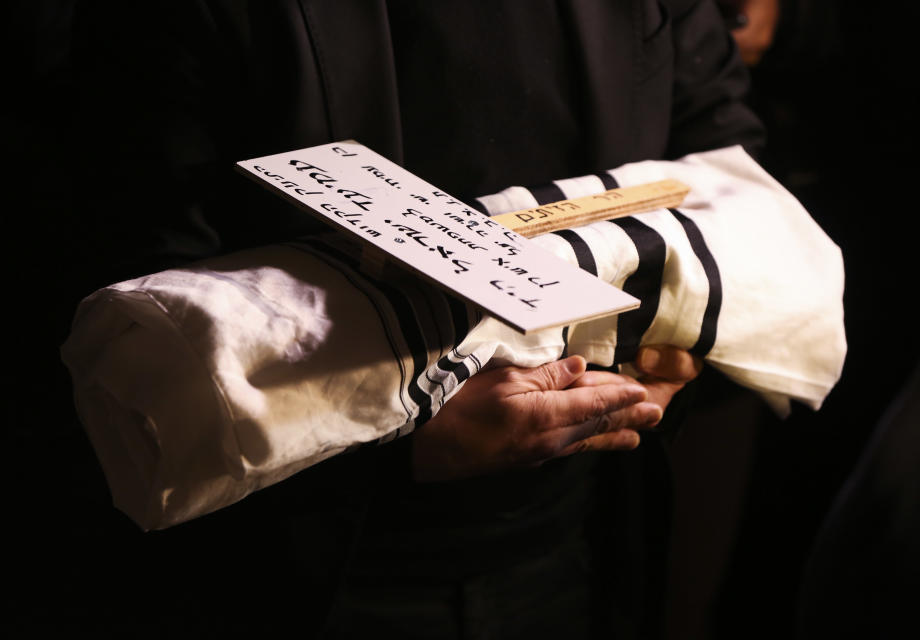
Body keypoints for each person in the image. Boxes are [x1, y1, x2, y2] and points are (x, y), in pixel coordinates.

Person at [43, 0, 764, 636]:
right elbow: (124, 299)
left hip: (579, 539)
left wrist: (679, 349)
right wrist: (408, 433)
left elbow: (727, 165)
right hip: (319, 564)